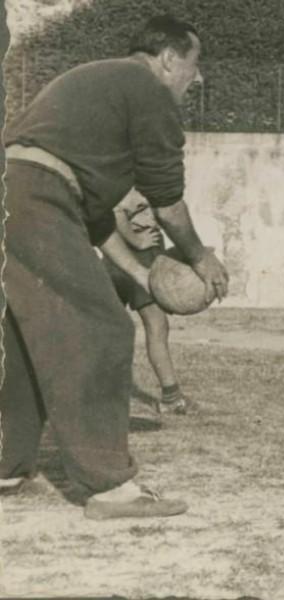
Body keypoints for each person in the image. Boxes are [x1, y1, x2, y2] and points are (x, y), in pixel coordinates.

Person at [0, 15, 228, 518]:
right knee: (100, 326)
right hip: (35, 194)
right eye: (195, 64)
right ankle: (109, 487)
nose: (199, 77)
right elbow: (167, 201)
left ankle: (6, 465)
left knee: (23, 336)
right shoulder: (146, 88)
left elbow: (95, 219)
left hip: (18, 189)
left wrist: (145, 275)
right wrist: (199, 256)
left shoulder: (100, 79)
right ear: (168, 59)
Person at [104, 190, 191, 418]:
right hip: (136, 256)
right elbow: (117, 212)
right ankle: (171, 397)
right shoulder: (135, 180)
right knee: (157, 325)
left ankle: (88, 390)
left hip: (130, 255)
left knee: (107, 328)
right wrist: (136, 240)